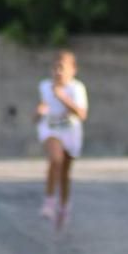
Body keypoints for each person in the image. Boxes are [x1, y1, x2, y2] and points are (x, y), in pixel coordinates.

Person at [36, 51, 88, 229]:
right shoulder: (44, 86)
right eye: (55, 67)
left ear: (73, 70)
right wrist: (39, 112)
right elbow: (39, 112)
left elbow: (81, 114)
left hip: (71, 131)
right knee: (55, 159)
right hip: (51, 129)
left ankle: (64, 207)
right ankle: (49, 202)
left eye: (62, 68)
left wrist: (62, 97)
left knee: (65, 173)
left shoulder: (76, 88)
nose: (58, 71)